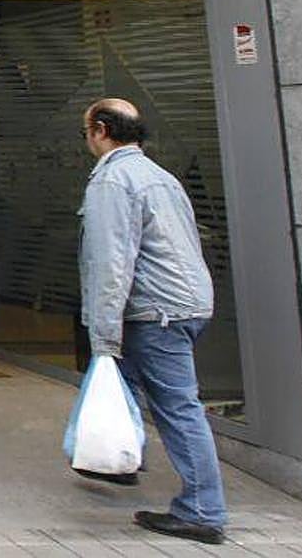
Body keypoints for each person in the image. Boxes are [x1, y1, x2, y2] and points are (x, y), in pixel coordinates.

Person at [78, 97, 227, 546]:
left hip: (154, 312)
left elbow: (111, 262)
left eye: (86, 131)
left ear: (101, 130)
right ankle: (117, 459)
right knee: (124, 384)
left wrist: (103, 336)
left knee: (177, 407)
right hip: (183, 303)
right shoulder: (159, 176)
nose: (87, 140)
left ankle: (202, 510)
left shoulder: (112, 181)